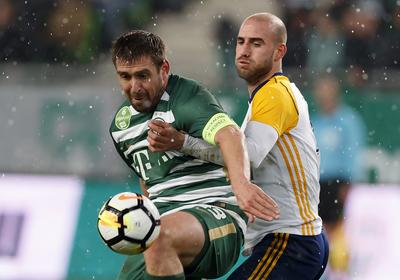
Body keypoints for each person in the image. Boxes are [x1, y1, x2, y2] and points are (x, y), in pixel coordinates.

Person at [147, 13, 329, 279]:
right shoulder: (269, 95)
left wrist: (182, 142)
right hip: (297, 240)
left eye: (256, 43)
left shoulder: (273, 93)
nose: (244, 50)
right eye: (241, 42)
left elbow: (249, 157)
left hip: (289, 241)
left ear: (279, 51)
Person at [109, 30, 279, 280]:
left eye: (142, 76)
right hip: (162, 226)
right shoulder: (120, 128)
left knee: (159, 237)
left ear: (163, 69)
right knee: (154, 242)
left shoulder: (187, 97)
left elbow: (231, 135)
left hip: (217, 214)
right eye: (125, 77)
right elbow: (147, 181)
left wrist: (241, 185)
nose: (134, 88)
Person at [311, 74, 365, 276]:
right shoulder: (315, 121)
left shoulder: (347, 120)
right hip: (317, 182)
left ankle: (340, 269)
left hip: (337, 181)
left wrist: (348, 182)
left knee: (336, 227)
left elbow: (352, 151)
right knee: (319, 228)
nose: (322, 95)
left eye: (326, 90)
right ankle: (324, 269)